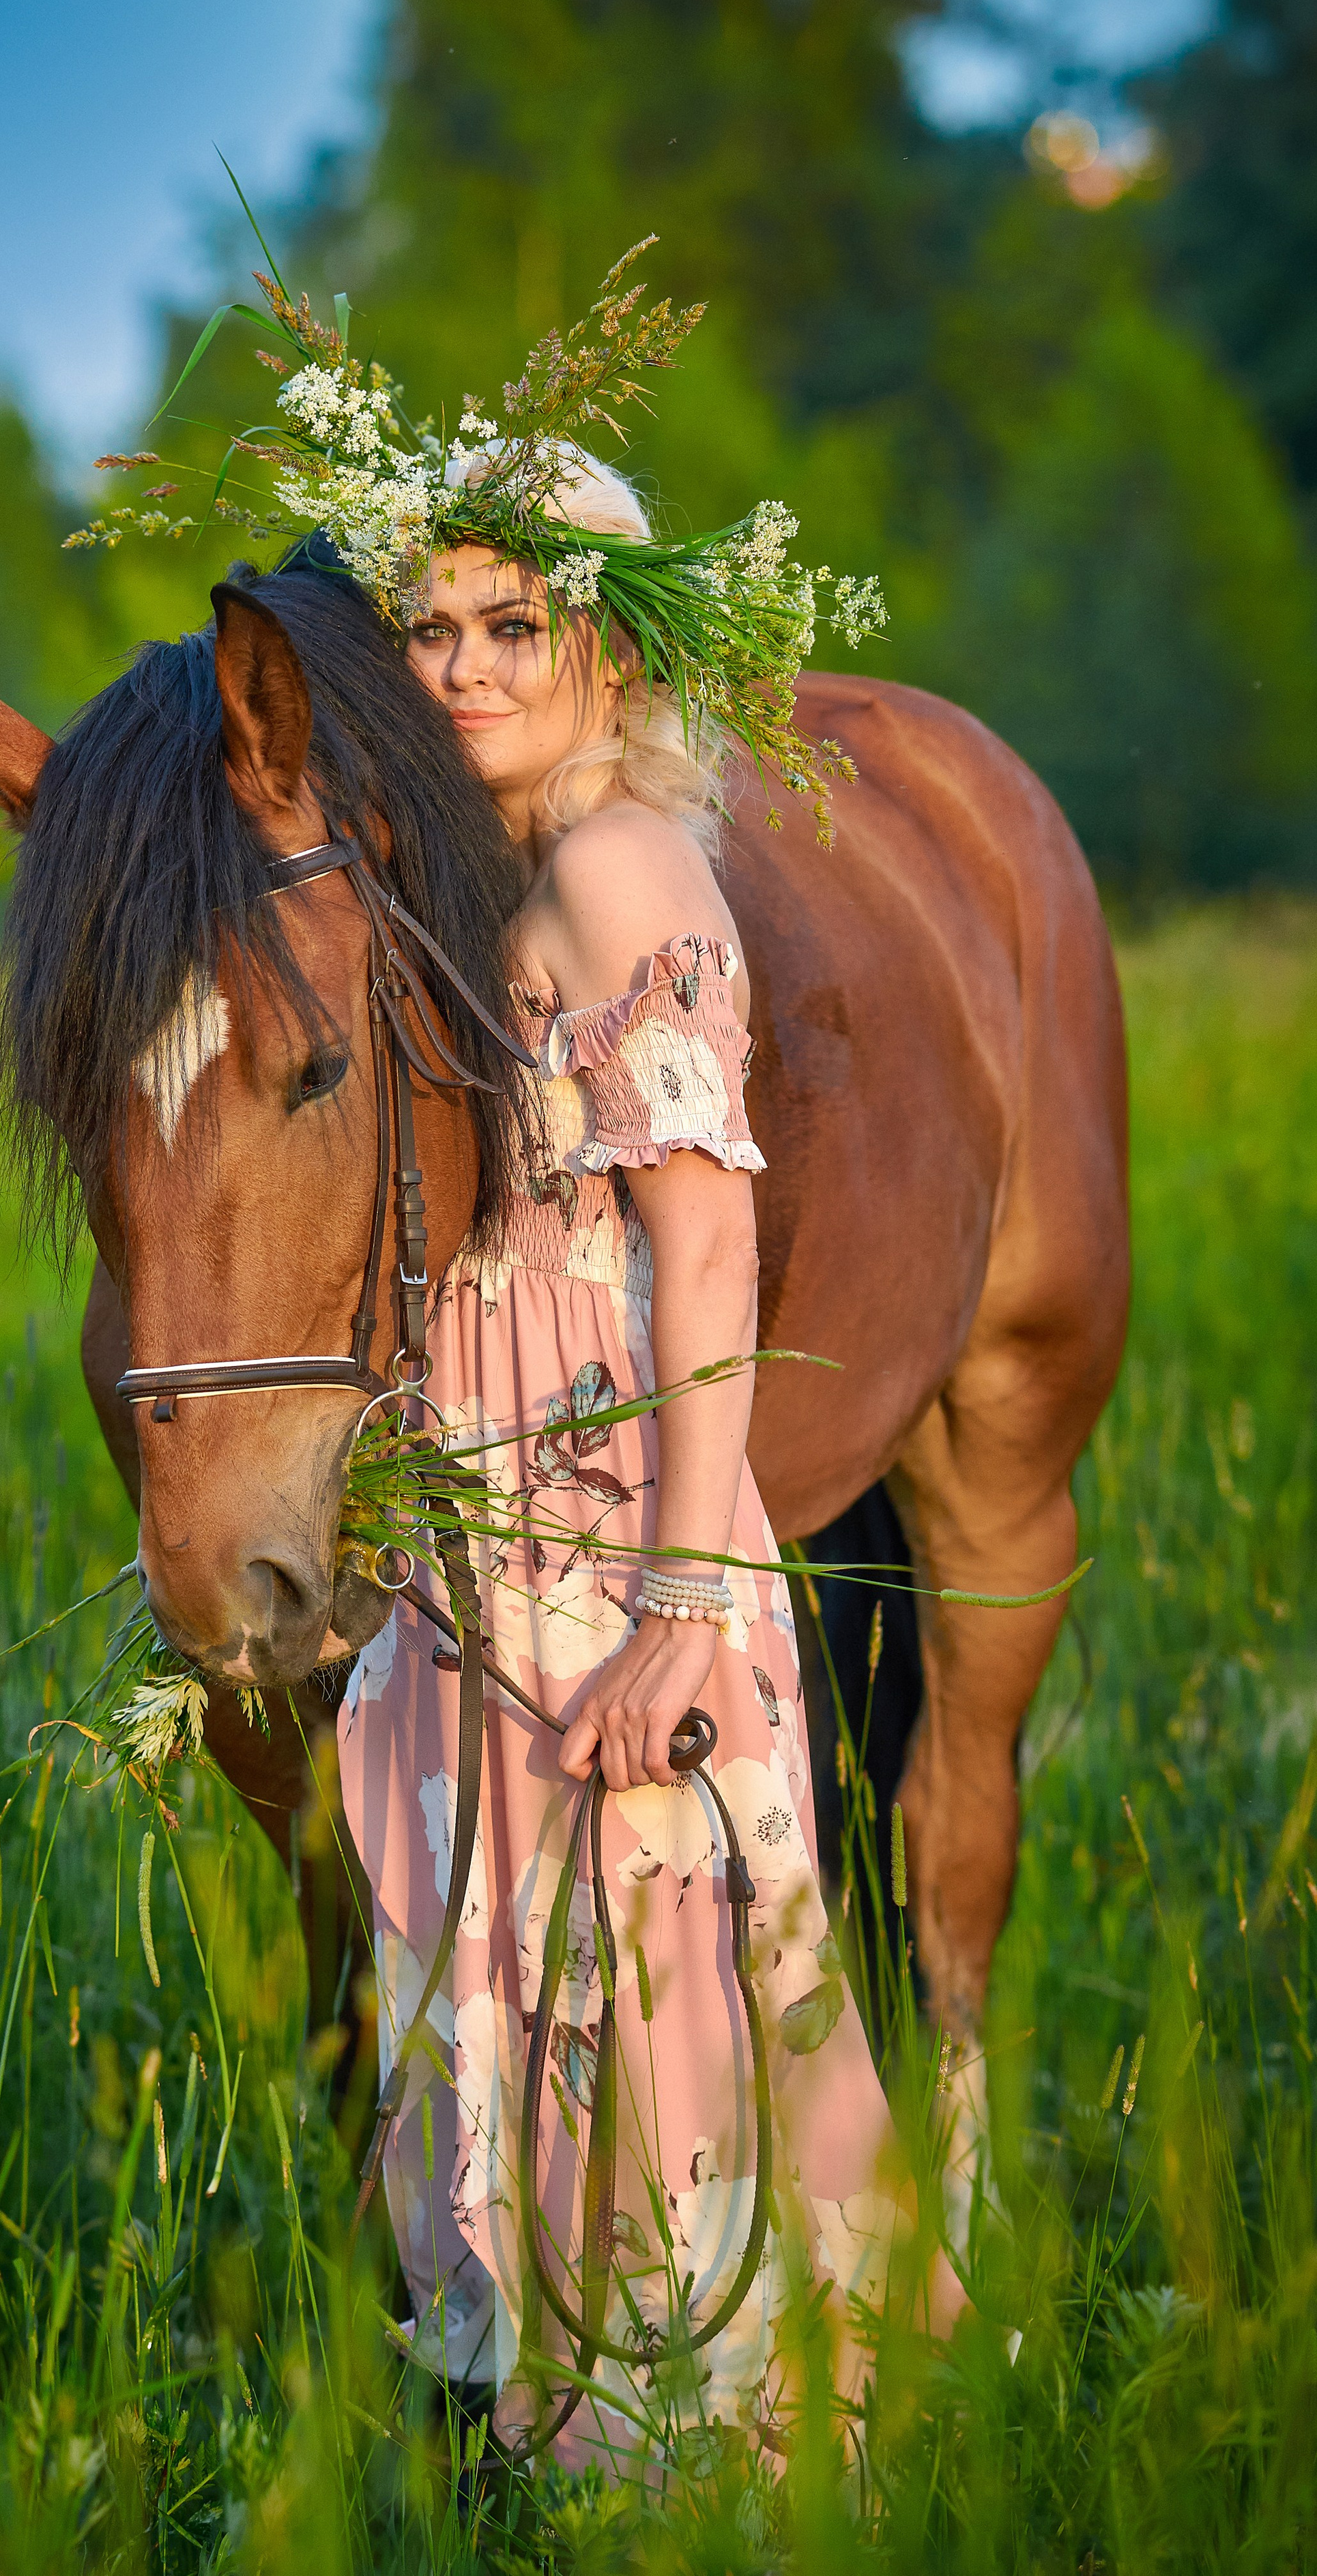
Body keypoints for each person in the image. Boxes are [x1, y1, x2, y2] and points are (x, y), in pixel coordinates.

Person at [334, 449, 964, 2468]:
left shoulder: (618, 868)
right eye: (426, 627)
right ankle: (556, 2418)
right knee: (519, 1934)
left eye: (513, 624)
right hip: (489, 1496)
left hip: (610, 1501)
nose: (460, 666)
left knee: (650, 1936)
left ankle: (724, 2448)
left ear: (608, 641)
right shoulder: (490, 866)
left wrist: (692, 1606)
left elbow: (709, 1236)